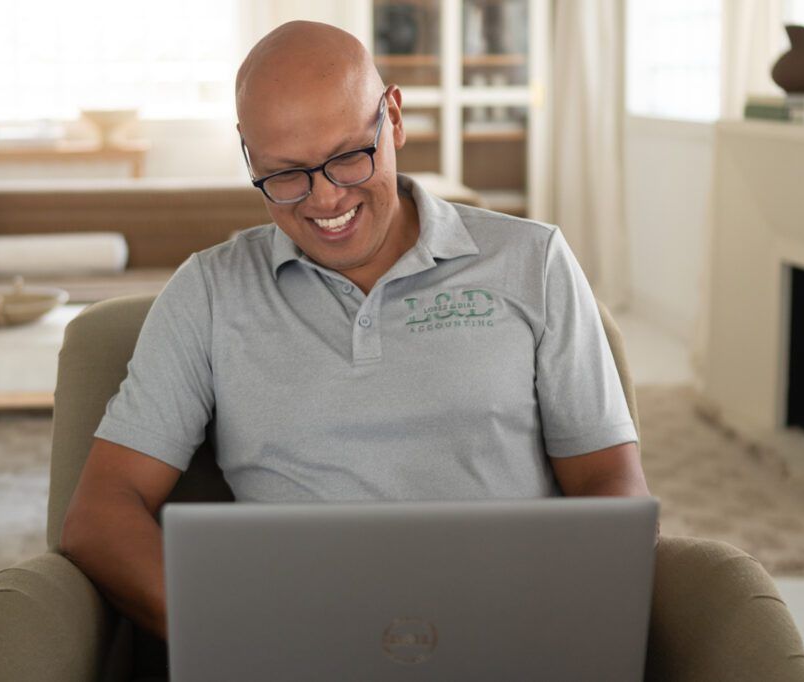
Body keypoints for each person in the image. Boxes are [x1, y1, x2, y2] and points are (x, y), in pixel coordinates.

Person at [60, 20, 651, 643]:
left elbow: (610, 481)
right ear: (247, 152)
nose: (322, 201)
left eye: (347, 158)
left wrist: (561, 618)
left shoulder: (534, 262)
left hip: (508, 634)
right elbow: (100, 513)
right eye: (284, 174)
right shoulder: (208, 293)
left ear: (392, 117)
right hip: (293, 646)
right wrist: (221, 630)